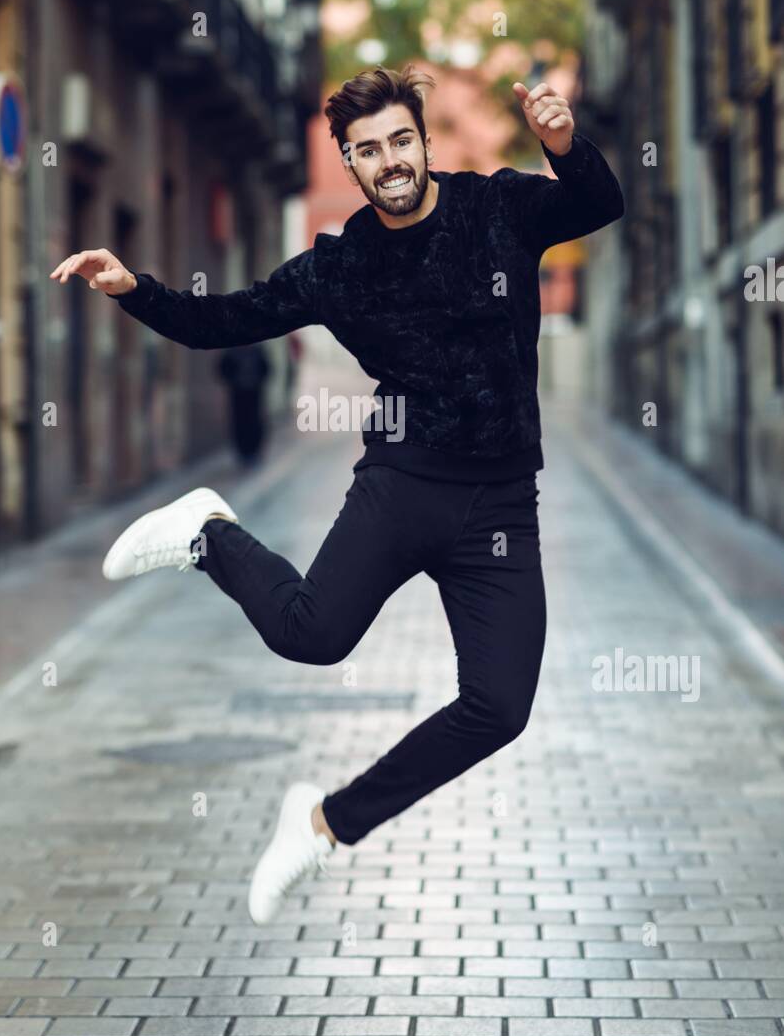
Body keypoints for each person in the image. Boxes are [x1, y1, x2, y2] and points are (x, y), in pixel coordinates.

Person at [50, 66, 624, 925]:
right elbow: (227, 319)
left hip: (502, 505)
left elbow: (596, 206)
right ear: (349, 165)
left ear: (424, 143)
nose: (388, 161)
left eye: (400, 140)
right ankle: (207, 533)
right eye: (367, 151)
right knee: (310, 636)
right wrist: (135, 290)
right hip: (402, 487)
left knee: (500, 708)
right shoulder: (339, 266)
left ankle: (323, 825)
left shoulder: (497, 207)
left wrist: (561, 145)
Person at [216, 342, 271, 466]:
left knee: (254, 421)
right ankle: (243, 451)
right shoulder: (232, 351)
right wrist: (234, 380)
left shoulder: (257, 350)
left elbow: (266, 368)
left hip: (253, 393)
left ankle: (253, 450)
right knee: (240, 422)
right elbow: (223, 369)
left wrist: (257, 380)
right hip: (238, 394)